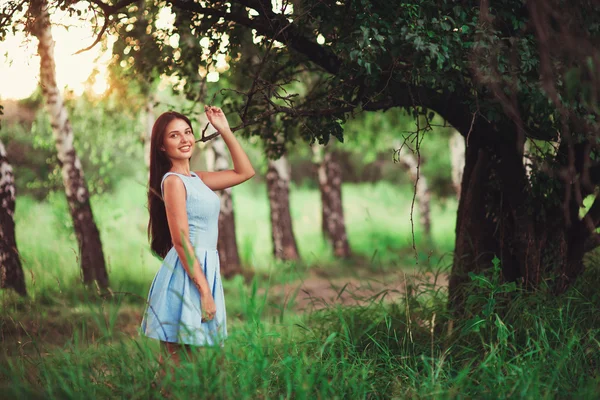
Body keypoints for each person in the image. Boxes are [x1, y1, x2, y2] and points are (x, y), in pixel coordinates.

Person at [140, 105, 255, 371]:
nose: (184, 139)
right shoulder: (172, 182)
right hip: (186, 276)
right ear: (161, 146)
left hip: (202, 270)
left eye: (188, 132)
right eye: (174, 135)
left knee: (187, 367)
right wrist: (205, 291)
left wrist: (224, 129)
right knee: (176, 365)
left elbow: (245, 172)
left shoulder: (197, 179)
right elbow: (180, 241)